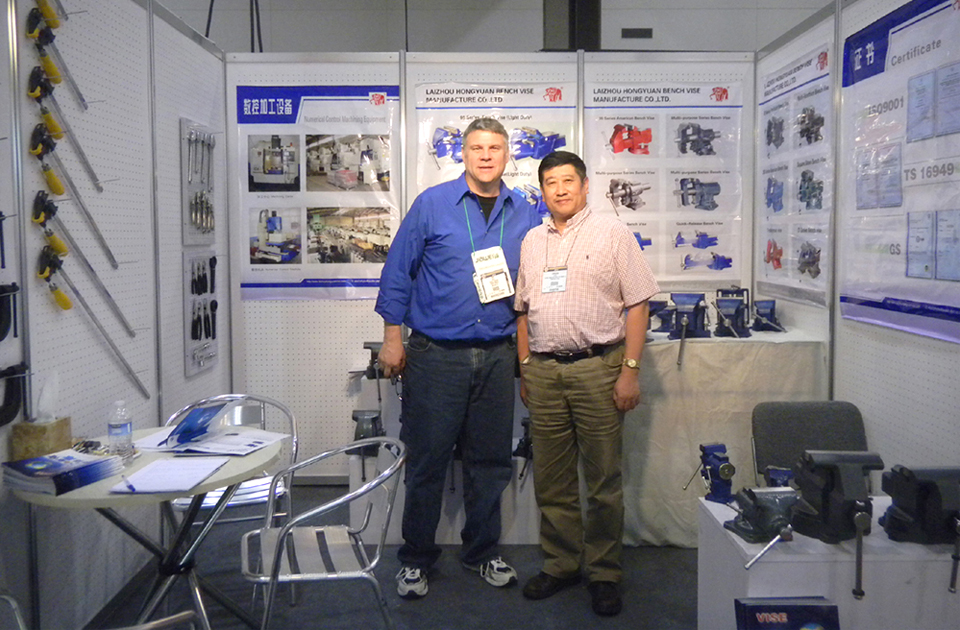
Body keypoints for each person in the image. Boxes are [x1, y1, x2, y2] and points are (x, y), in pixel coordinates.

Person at [375, 117, 543, 599]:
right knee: (428, 462)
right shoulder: (432, 204)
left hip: (497, 356)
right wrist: (392, 336)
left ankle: (482, 552)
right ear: (463, 155)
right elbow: (398, 270)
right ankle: (415, 559)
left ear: (507, 155)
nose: (486, 156)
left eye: (495, 148)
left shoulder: (524, 212)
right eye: (477, 148)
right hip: (436, 356)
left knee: (489, 462)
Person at [514, 150, 659, 616]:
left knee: (602, 480)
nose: (559, 190)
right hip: (544, 372)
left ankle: (604, 573)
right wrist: (525, 366)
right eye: (550, 183)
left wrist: (630, 370)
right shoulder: (532, 241)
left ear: (584, 185)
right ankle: (560, 564)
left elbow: (638, 304)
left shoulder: (612, 233)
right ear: (542, 190)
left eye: (568, 181)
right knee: (552, 480)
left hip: (599, 369)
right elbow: (522, 311)